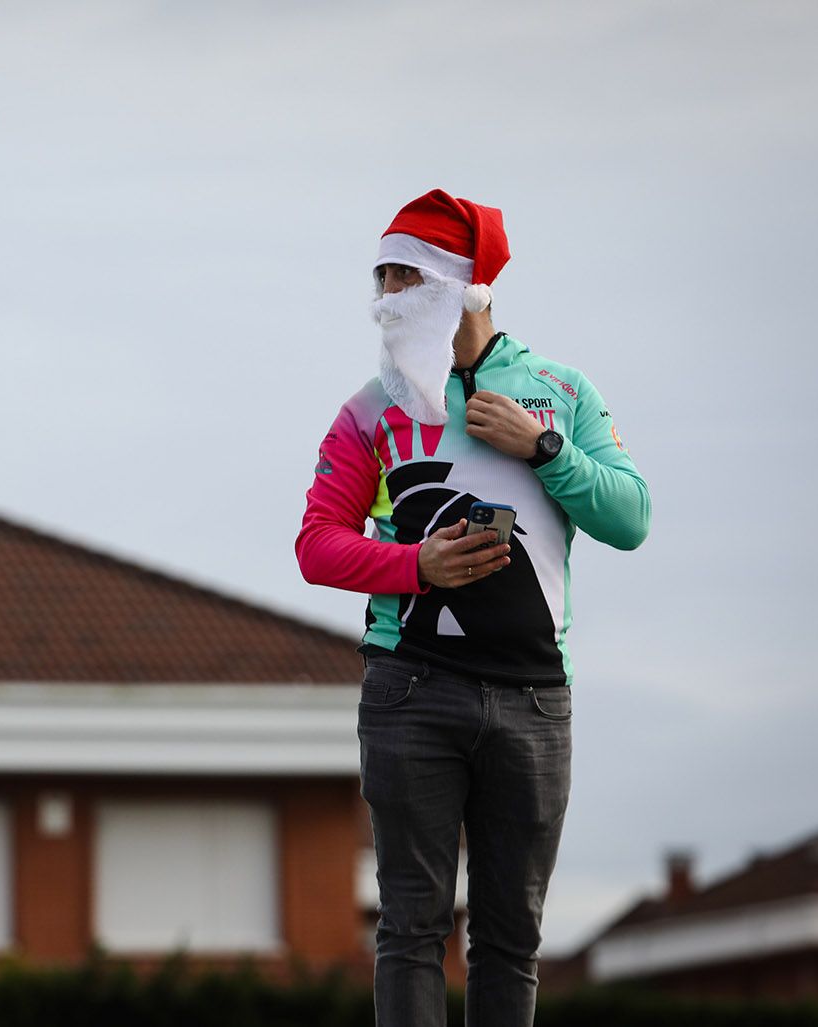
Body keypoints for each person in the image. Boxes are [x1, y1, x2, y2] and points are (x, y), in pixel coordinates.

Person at [295, 189, 650, 1026]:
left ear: (464, 286)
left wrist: (544, 449)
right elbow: (316, 545)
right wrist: (417, 564)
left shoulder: (560, 391)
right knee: (411, 927)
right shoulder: (369, 408)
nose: (385, 297)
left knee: (509, 936)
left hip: (534, 697)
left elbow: (630, 518)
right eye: (379, 278)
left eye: (404, 276)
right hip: (410, 689)